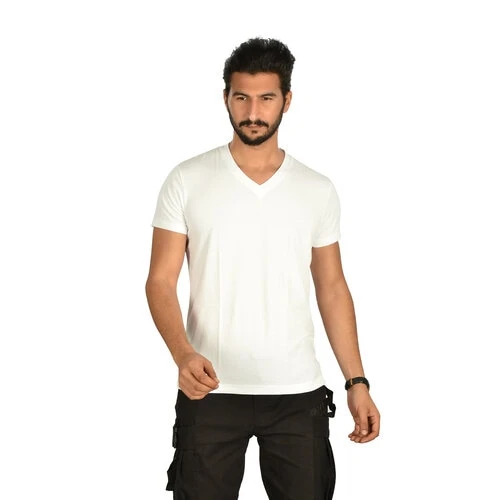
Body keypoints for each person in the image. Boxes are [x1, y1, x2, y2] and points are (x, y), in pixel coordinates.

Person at [145, 37, 380, 499]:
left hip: (297, 393)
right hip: (209, 390)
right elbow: (159, 282)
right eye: (242, 97)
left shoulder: (316, 189)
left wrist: (356, 381)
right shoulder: (187, 180)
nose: (253, 112)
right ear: (226, 98)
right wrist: (183, 355)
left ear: (286, 100)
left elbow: (332, 287)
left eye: (266, 98)